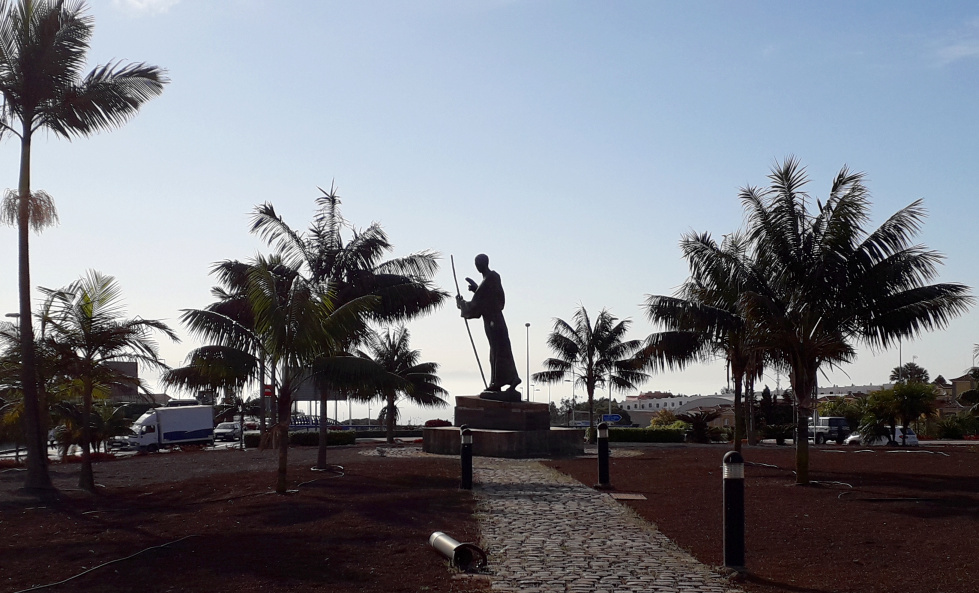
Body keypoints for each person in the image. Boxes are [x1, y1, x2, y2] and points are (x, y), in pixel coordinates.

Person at [456, 254, 521, 393]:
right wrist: (476, 289)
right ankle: (507, 379)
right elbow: (489, 297)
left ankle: (501, 381)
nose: (477, 266)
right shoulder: (492, 278)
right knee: (499, 350)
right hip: (495, 320)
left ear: (481, 264)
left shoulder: (489, 279)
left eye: (477, 264)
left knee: (498, 351)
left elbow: (475, 305)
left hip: (493, 321)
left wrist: (461, 303)